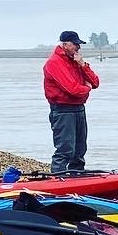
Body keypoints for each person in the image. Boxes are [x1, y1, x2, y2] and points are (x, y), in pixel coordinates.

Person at [43, 31, 99, 174]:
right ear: (64, 44)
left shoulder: (75, 61)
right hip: (62, 110)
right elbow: (72, 89)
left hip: (79, 109)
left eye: (78, 45)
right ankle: (57, 178)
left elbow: (96, 82)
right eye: (75, 44)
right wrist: (86, 88)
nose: (78, 48)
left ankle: (76, 176)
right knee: (65, 149)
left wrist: (83, 65)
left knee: (80, 150)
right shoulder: (54, 63)